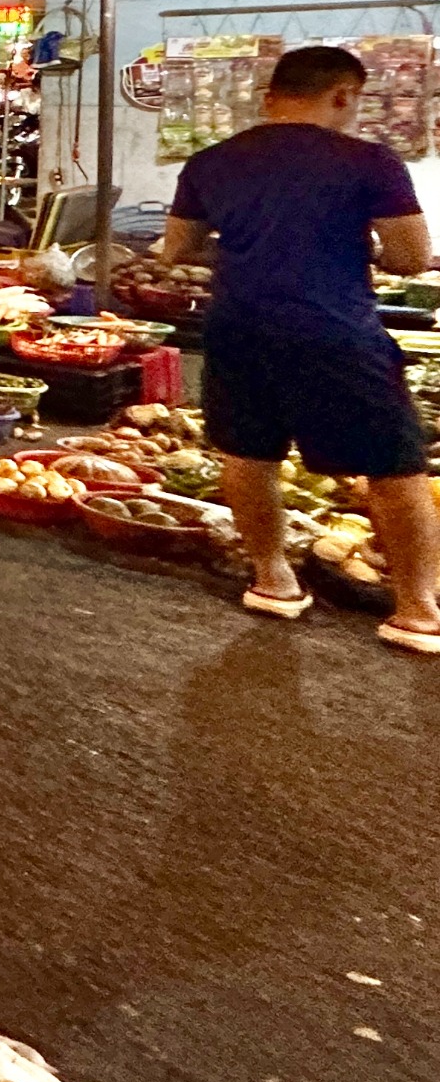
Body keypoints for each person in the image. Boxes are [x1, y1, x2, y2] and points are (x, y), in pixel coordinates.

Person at [159, 45, 440, 652]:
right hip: (334, 330)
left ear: (270, 97)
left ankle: (272, 579)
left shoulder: (210, 162)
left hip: (238, 328)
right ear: (343, 94)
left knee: (248, 455)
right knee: (396, 467)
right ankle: (418, 610)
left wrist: (249, 247)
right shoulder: (371, 162)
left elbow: (175, 250)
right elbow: (411, 257)